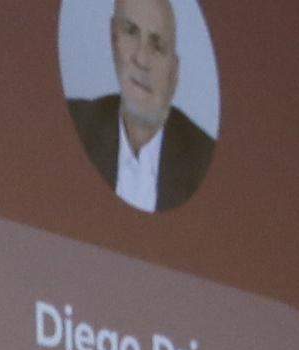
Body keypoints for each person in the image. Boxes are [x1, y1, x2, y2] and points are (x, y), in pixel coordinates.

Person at [69, 0, 213, 213]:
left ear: (174, 72)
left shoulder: (203, 162)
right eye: (131, 32)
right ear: (113, 39)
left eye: (157, 46)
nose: (142, 59)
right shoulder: (75, 124)